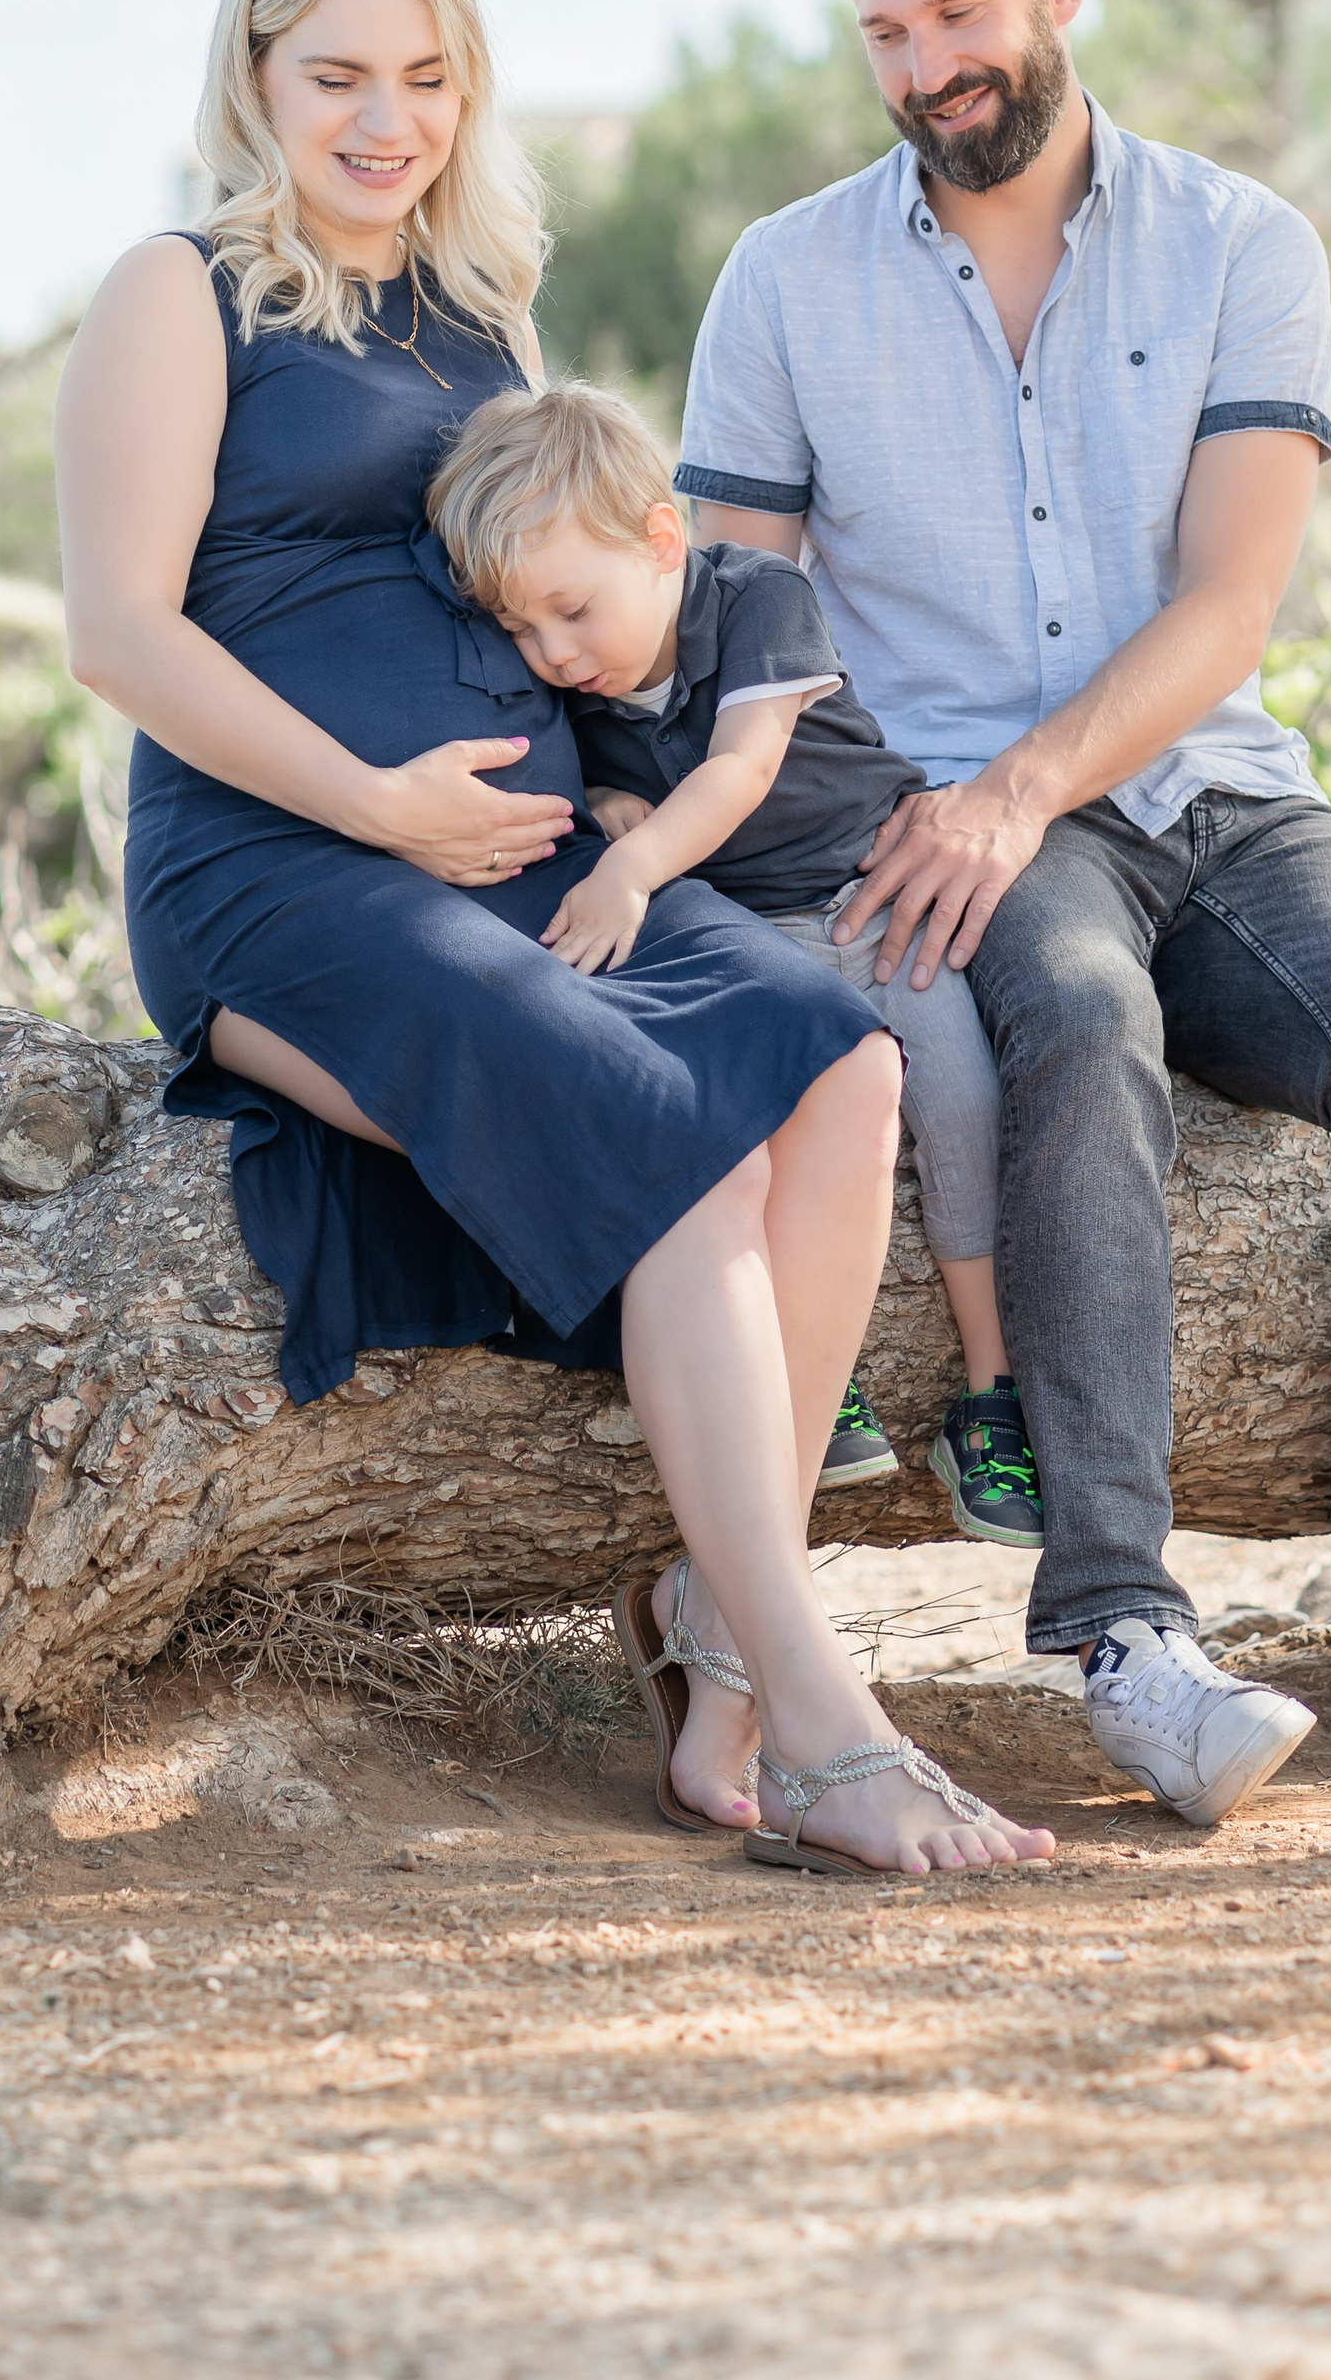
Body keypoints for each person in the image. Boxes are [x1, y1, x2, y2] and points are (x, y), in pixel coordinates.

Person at [54, 0, 1053, 1882]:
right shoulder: (175, 291)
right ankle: (821, 1718)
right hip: (287, 872)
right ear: (252, 74)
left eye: (425, 78)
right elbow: (118, 636)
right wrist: (377, 804)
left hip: (525, 864)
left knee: (834, 1061)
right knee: (669, 1139)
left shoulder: (482, 305)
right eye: (334, 74)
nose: (380, 121)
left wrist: (622, 797)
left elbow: (570, 580)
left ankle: (713, 1632)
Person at [675, 0, 1331, 1828]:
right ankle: (1121, 1635)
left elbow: (1225, 607)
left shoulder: (1237, 243)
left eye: (957, 10)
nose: (925, 62)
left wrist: (1019, 784)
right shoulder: (783, 280)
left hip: (1202, 784)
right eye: (885, 31)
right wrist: (838, 831)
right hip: (956, 828)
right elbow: (735, 617)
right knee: (1076, 1034)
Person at [423, 376, 1043, 1548]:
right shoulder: (582, 682)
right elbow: (600, 778)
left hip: (867, 895)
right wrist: (604, 794)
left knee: (957, 1094)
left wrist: (633, 863)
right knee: (753, 1127)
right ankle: (816, 1373)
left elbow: (740, 768)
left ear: (663, 540)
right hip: (747, 929)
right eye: (520, 631)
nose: (554, 653)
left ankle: (990, 1389)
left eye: (570, 610)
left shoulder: (755, 597)